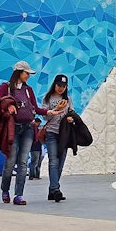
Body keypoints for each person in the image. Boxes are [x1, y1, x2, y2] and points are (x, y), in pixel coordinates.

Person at [0, 61, 42, 205]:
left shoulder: (28, 90)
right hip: (13, 128)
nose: (28, 76)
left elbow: (35, 107)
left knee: (23, 162)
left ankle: (19, 194)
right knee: (10, 161)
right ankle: (5, 190)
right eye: (26, 73)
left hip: (28, 128)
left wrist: (50, 112)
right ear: (19, 72)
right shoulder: (6, 88)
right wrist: (8, 105)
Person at [41, 74, 75, 202]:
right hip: (51, 133)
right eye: (59, 85)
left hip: (64, 135)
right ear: (54, 85)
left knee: (60, 163)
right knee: (53, 161)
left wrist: (71, 118)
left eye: (63, 86)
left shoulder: (68, 99)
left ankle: (52, 191)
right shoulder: (47, 98)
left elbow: (72, 112)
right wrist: (57, 108)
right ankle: (56, 189)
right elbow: (45, 117)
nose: (61, 88)